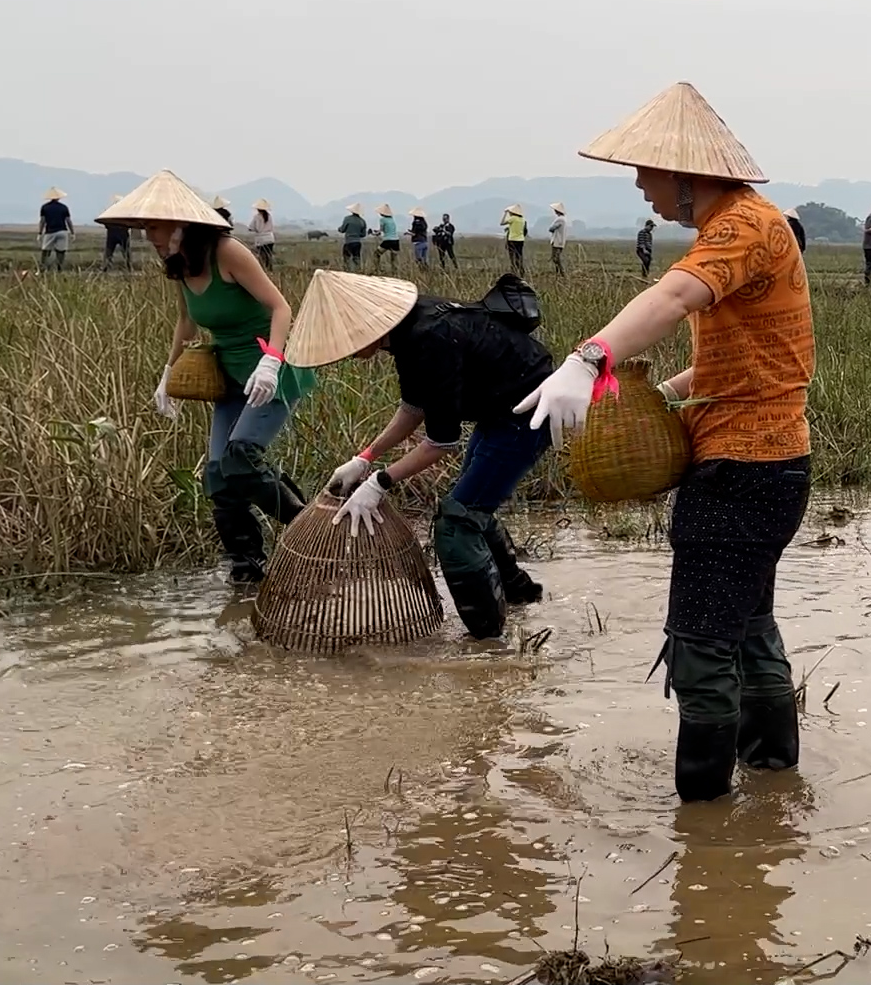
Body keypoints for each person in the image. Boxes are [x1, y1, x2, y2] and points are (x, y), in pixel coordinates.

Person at [512, 82, 813, 802]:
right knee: (747, 625)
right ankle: (774, 783)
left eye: (647, 173)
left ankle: (704, 821)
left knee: (701, 642)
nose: (642, 187)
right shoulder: (752, 226)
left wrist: (589, 360)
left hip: (739, 470)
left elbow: (673, 298)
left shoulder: (741, 225)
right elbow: (750, 357)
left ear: (687, 173)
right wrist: (662, 394)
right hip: (775, 464)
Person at [288, 269, 552, 640]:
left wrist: (380, 482)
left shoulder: (430, 336)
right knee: (471, 504)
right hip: (501, 408)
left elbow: (442, 443)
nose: (347, 353)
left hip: (529, 413)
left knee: (457, 522)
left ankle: (490, 642)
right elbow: (415, 407)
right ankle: (523, 596)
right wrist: (365, 456)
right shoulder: (409, 330)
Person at [103, 170, 315, 583]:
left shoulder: (229, 252)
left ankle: (309, 530)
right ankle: (247, 565)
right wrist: (168, 374)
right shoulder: (179, 264)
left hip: (270, 371)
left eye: (153, 226)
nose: (149, 236)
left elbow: (280, 307)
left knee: (241, 457)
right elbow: (187, 322)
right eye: (144, 227)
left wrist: (271, 361)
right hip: (230, 376)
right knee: (218, 475)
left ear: (181, 222)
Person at [38, 187, 72, 270]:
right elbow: (68, 221)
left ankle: (43, 268)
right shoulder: (64, 207)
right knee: (61, 251)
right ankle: (59, 268)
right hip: (62, 231)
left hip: (50, 232)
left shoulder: (45, 207)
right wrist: (72, 232)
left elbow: (42, 221)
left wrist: (40, 232)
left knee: (45, 251)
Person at [100, 193, 131, 271]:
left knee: (109, 252)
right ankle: (129, 267)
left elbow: (105, 223)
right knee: (126, 252)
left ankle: (105, 267)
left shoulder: (109, 211)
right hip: (123, 233)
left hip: (112, 233)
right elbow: (129, 223)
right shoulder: (126, 212)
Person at [248, 198, 277, 269]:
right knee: (269, 256)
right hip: (270, 238)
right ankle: (270, 270)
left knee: (262, 257)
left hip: (261, 240)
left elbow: (251, 227)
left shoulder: (257, 217)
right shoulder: (269, 216)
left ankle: (263, 271)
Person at [502, 205, 527, 273]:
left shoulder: (513, 218)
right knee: (519, 255)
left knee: (512, 256)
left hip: (512, 239)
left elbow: (502, 223)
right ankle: (521, 269)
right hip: (521, 240)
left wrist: (505, 213)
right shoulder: (523, 220)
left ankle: (514, 269)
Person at [547, 203, 569, 275]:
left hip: (557, 241)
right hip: (561, 241)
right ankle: (558, 272)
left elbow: (552, 228)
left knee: (555, 258)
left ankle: (561, 272)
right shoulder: (564, 219)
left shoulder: (560, 219)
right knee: (556, 257)